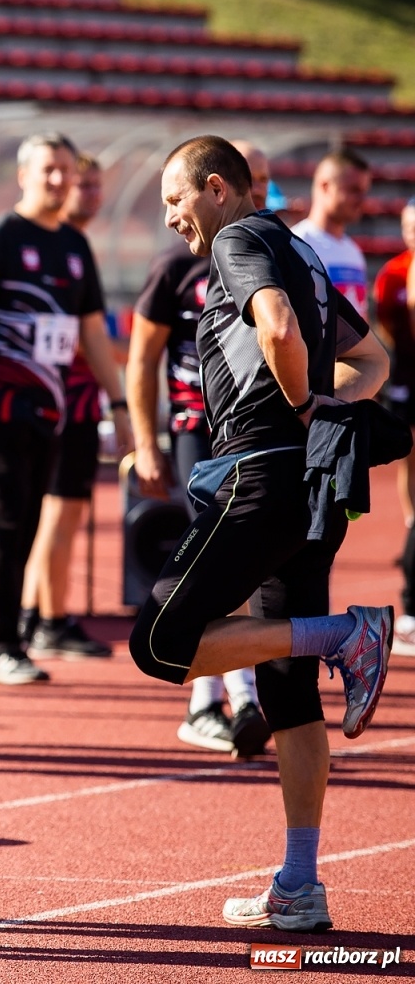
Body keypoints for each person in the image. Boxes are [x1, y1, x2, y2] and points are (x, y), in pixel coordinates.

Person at [133, 135, 393, 933]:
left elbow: (277, 328)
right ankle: (300, 885)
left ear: (217, 188)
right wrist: (326, 414)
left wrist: (305, 407)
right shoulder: (303, 251)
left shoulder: (238, 239)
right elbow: (373, 358)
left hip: (262, 473)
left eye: (175, 199)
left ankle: (345, 635)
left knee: (160, 643)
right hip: (310, 486)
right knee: (286, 691)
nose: (171, 218)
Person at [0, 133, 132, 685]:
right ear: (23, 176)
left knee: (26, 526)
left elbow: (92, 334)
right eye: (48, 170)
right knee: (2, 527)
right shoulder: (1, 238)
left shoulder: (75, 246)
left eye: (65, 170)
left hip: (50, 412)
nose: (59, 180)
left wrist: (120, 403)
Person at [128, 143, 274, 758]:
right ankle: (229, 697)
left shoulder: (270, 252)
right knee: (219, 561)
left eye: (264, 179)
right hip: (197, 427)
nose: (258, 191)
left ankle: (222, 698)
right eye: (251, 178)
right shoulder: (177, 265)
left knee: (253, 567)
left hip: (257, 434)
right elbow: (141, 359)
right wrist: (145, 442)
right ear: (221, 185)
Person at [16, 153, 113, 660]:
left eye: (95, 185)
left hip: (80, 399)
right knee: (54, 512)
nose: (89, 194)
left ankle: (40, 613)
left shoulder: (77, 248)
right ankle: (45, 618)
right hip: (56, 399)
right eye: (83, 184)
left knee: (64, 511)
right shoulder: (40, 243)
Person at [373, 200, 415, 657]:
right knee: (409, 453)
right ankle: (411, 520)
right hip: (407, 373)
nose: (410, 233)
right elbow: (386, 325)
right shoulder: (394, 273)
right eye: (405, 226)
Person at [292, 149, 371, 318]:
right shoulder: (297, 244)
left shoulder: (353, 251)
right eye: (354, 190)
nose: (362, 199)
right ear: (325, 186)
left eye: (364, 191)